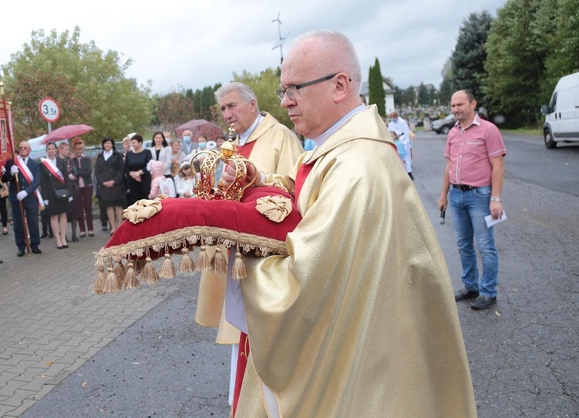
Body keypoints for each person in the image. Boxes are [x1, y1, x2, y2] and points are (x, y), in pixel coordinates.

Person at [228, 30, 475, 416]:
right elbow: (303, 198)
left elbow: (306, 285)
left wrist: (239, 249)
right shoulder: (339, 147)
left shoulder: (357, 167)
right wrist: (258, 183)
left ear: (339, 85)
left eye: (294, 88)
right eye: (282, 91)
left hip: (366, 362)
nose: (286, 101)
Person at [197, 80, 304, 407]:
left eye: (231, 106)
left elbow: (295, 187)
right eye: (223, 109)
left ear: (253, 104)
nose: (226, 114)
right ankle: (243, 403)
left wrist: (255, 181)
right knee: (240, 336)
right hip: (234, 251)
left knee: (266, 337)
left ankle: (270, 405)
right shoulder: (230, 143)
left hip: (264, 254)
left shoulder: (281, 137)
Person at [438, 89, 506, 311]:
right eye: (453, 106)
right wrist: (443, 195)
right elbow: (449, 165)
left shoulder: (488, 130)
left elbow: (498, 166)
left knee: (486, 246)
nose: (456, 109)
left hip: (481, 196)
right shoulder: (453, 133)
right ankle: (470, 287)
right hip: (456, 196)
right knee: (463, 244)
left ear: (473, 104)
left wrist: (495, 198)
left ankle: (488, 292)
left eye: (460, 105)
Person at [1, 141, 43, 257]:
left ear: (29, 150)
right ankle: (21, 246)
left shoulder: (35, 164)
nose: (23, 149)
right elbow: (4, 179)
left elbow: (37, 181)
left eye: (25, 147)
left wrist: (26, 192)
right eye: (21, 147)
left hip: (30, 197)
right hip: (16, 198)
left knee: (33, 221)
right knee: (18, 224)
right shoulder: (12, 162)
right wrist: (10, 173)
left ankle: (35, 245)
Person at [40, 142, 70, 249]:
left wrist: (69, 193)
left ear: (56, 150)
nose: (51, 150)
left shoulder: (62, 161)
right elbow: (43, 182)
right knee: (54, 216)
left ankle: (63, 238)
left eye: (53, 148)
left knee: (63, 215)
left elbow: (66, 178)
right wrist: (45, 198)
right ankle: (57, 239)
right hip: (51, 193)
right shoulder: (43, 164)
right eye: (49, 149)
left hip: (62, 192)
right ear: (46, 151)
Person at [94, 137, 125, 235]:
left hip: (116, 185)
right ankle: (113, 227)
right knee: (108, 206)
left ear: (112, 144)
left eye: (109, 143)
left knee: (118, 205)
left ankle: (120, 225)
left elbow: (121, 169)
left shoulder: (118, 155)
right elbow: (97, 172)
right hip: (104, 185)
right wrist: (102, 182)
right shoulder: (100, 156)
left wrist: (114, 181)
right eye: (105, 143)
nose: (107, 145)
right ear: (103, 145)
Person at [69, 140, 94, 239]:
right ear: (74, 149)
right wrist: (72, 164)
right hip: (76, 186)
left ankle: (90, 228)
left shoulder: (87, 159)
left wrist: (77, 172)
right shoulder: (71, 160)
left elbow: (88, 172)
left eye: (81, 149)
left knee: (88, 207)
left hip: (87, 185)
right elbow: (70, 172)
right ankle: (82, 229)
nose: (80, 151)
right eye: (78, 149)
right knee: (78, 208)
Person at [124, 134, 153, 207]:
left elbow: (149, 165)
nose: (132, 144)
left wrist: (138, 173)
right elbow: (126, 166)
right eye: (131, 143)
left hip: (144, 179)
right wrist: (132, 174)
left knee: (145, 198)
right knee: (133, 199)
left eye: (134, 142)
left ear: (140, 143)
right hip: (132, 180)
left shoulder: (147, 152)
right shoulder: (129, 154)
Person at [387, 110, 413, 179]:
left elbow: (406, 132)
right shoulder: (391, 124)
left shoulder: (402, 122)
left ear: (396, 116)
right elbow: (390, 132)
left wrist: (404, 141)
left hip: (403, 140)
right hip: (396, 141)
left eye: (393, 117)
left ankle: (409, 172)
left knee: (407, 158)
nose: (392, 118)